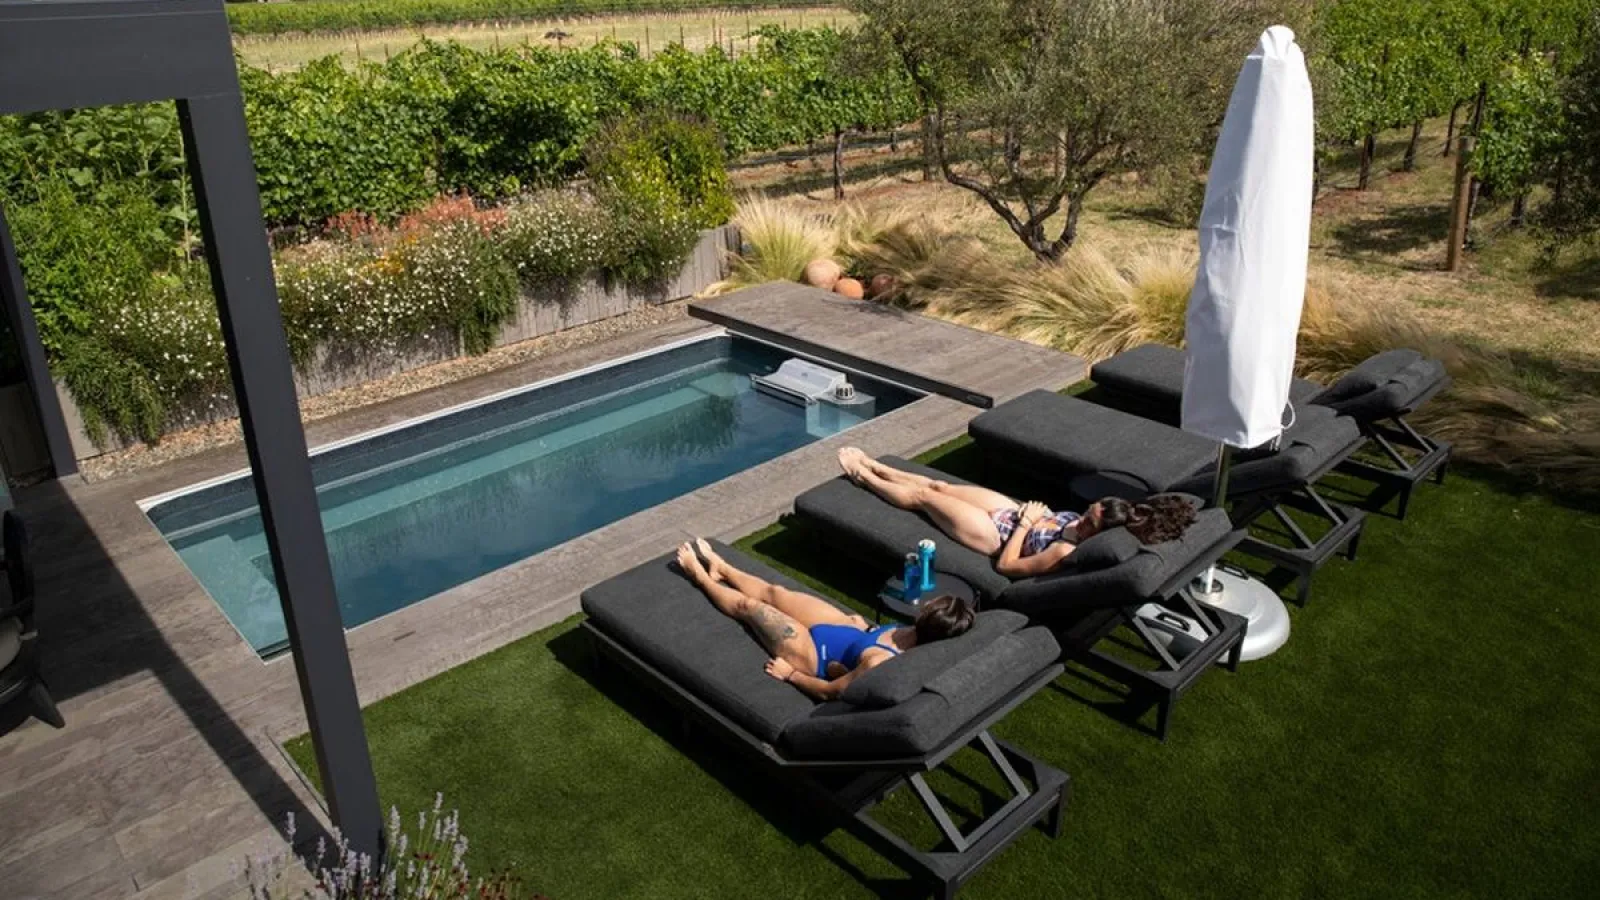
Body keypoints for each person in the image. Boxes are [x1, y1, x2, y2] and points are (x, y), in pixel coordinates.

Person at [674, 539, 975, 701]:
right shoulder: (912, 630)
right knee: (775, 592)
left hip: (813, 656)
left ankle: (698, 576)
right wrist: (866, 627)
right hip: (847, 634)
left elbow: (833, 692)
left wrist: (790, 675)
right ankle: (721, 568)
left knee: (749, 607)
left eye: (931, 605)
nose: (926, 602)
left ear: (929, 620)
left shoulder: (880, 662)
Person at [837, 447, 1196, 577]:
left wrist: (1025, 524)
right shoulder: (1099, 520)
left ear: (1099, 534)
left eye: (1088, 522)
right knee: (939, 486)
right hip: (1017, 515)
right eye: (1087, 512)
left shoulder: (1064, 552)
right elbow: (1061, 521)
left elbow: (1007, 567)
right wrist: (1035, 514)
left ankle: (862, 477)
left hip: (999, 537)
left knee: (921, 497)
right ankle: (875, 464)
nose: (1082, 519)